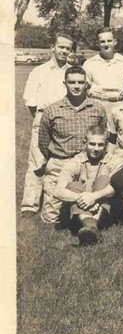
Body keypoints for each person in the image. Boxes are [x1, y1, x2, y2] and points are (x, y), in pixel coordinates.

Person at [38, 66, 107, 223]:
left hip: (89, 161)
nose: (76, 86)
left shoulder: (97, 108)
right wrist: (55, 159)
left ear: (86, 84)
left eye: (80, 82)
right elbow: (43, 141)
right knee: (51, 218)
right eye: (72, 82)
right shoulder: (52, 110)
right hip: (60, 162)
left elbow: (102, 135)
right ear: (65, 83)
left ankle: (86, 220)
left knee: (92, 199)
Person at [21, 33, 74, 217]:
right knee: (37, 161)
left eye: (68, 48)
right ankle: (30, 205)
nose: (64, 51)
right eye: (61, 47)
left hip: (66, 120)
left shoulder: (72, 72)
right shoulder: (39, 71)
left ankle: (60, 202)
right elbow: (31, 101)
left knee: (61, 161)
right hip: (43, 117)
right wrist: (41, 120)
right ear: (53, 47)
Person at [52, 125, 116, 245]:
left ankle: (90, 227)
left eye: (100, 145)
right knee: (73, 186)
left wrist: (94, 196)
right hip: (78, 214)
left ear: (106, 144)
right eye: (92, 144)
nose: (96, 148)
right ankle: (91, 226)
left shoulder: (111, 160)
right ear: (84, 143)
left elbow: (119, 185)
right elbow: (57, 191)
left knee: (105, 180)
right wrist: (83, 198)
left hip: (102, 211)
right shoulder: (75, 161)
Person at [83, 26, 123, 122]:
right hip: (98, 106)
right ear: (98, 43)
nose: (106, 44)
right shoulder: (89, 63)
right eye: (102, 41)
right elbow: (84, 88)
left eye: (109, 41)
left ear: (115, 42)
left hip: (120, 104)